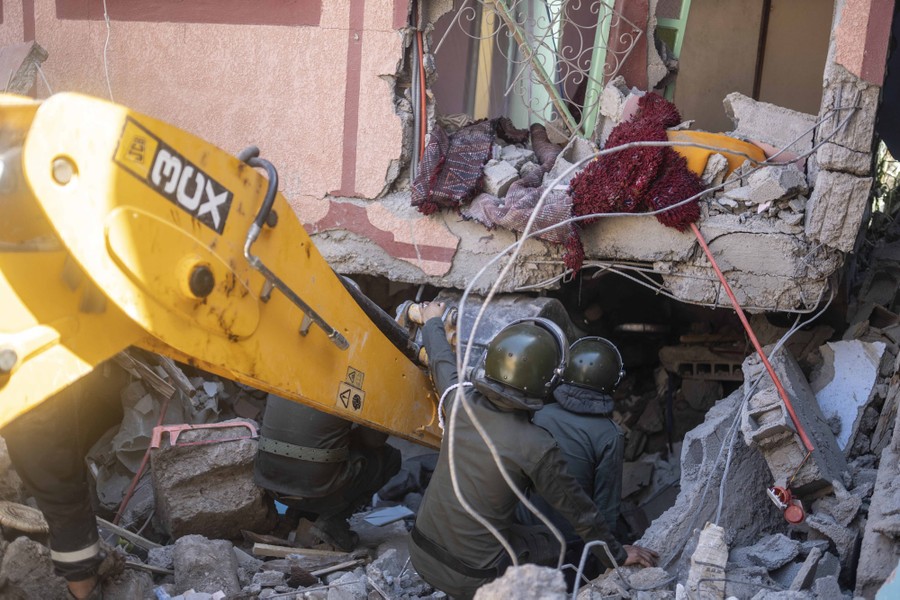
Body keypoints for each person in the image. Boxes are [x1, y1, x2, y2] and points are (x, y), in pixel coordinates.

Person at [408, 301, 657, 599]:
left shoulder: (459, 402)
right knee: (554, 543)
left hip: (420, 552)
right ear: (549, 381)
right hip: (472, 578)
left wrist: (432, 321)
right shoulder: (537, 445)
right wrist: (617, 554)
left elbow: (441, 361)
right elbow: (580, 512)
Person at [2, 363, 127, 600]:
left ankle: (83, 585)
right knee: (57, 478)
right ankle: (83, 587)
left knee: (53, 467)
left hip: (27, 366)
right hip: (29, 369)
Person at [519, 336, 627, 582]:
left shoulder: (537, 414)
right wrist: (610, 558)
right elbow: (606, 508)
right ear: (614, 381)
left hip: (524, 536)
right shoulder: (610, 435)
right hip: (570, 546)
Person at [253, 395, 401, 551]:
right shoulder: (370, 380)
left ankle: (297, 515)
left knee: (318, 447)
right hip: (317, 490)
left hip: (269, 482)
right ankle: (331, 522)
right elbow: (374, 440)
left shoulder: (287, 377)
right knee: (390, 458)